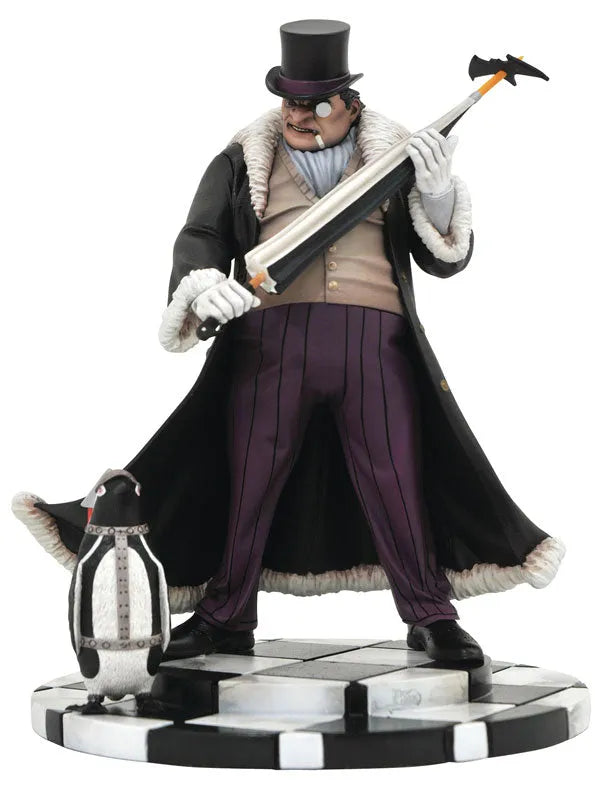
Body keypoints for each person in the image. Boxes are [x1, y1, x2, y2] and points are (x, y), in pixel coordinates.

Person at [14, 20, 564, 665]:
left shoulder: (395, 160)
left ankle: (430, 614)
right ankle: (226, 615)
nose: (298, 115)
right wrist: (201, 287)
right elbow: (200, 236)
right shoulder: (242, 159)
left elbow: (443, 258)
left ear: (349, 104)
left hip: (376, 345)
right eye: (289, 102)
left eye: (314, 103)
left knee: (396, 479)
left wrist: (438, 196)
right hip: (268, 344)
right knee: (250, 480)